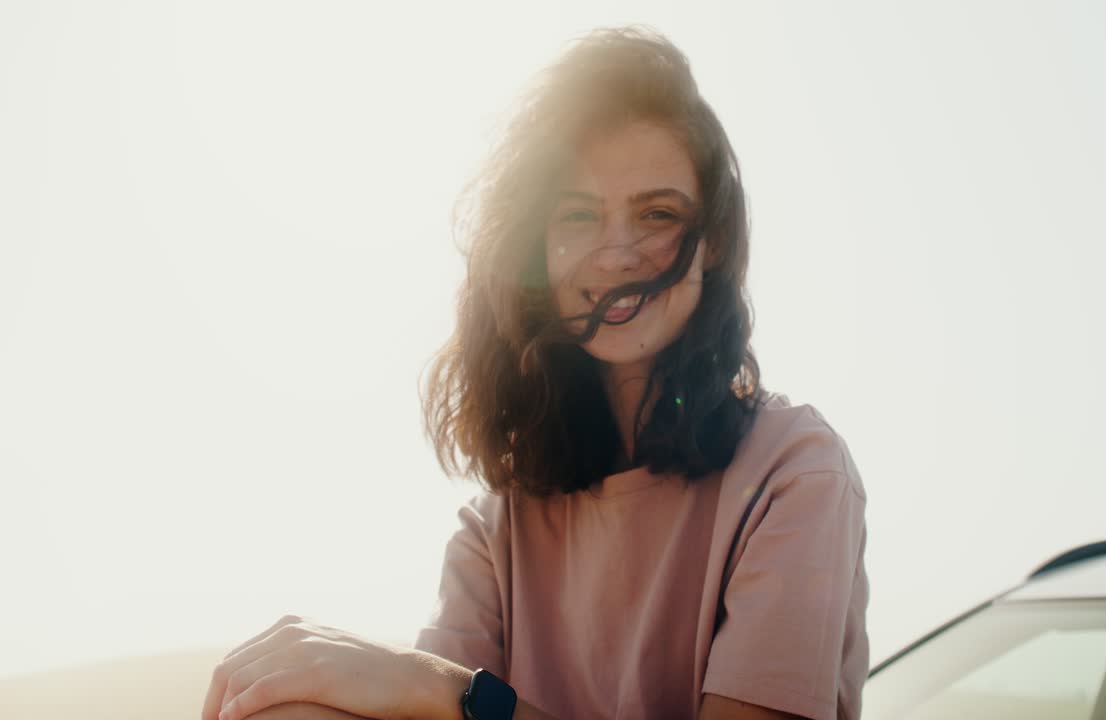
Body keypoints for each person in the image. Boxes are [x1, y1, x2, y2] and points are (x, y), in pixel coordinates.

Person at [202, 26, 869, 720]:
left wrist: (447, 688)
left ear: (716, 241)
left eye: (658, 213)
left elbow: (439, 700)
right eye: (578, 215)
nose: (616, 253)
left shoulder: (796, 472)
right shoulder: (497, 529)